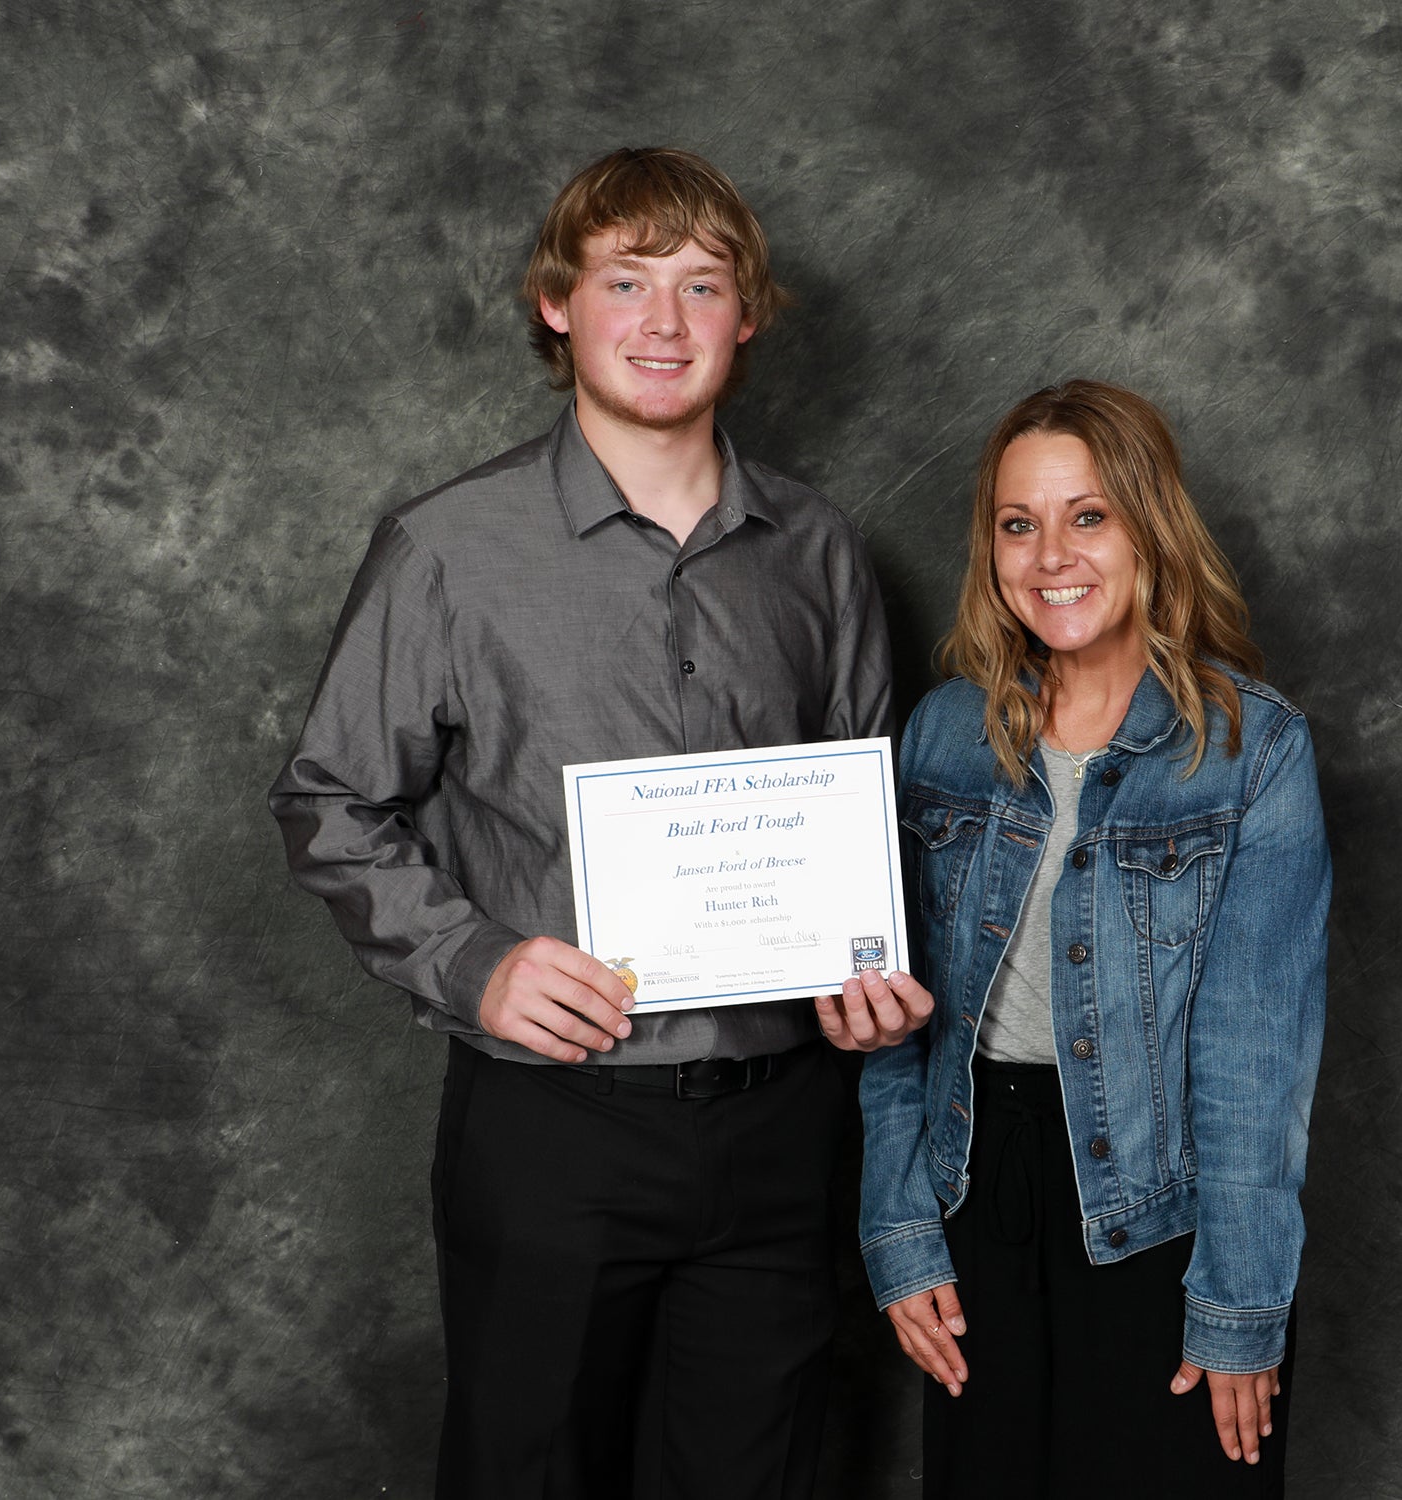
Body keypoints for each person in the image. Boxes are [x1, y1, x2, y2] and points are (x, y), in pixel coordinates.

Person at [268, 146, 932, 1500]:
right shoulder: (449, 548)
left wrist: (876, 975)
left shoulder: (819, 551)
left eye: (703, 284)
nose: (664, 320)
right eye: (627, 280)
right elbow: (329, 798)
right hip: (553, 1126)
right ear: (558, 303)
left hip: (783, 1129)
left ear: (749, 316)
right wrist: (473, 962)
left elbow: (873, 816)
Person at [857, 379, 1330, 1496]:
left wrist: (1238, 1307)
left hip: (1169, 1217)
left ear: (1148, 530)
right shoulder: (944, 734)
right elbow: (893, 1020)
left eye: (1089, 516)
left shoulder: (1249, 750)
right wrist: (901, 1232)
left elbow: (1256, 1063)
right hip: (976, 1194)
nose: (1052, 556)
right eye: (1018, 524)